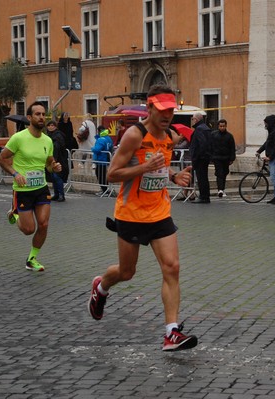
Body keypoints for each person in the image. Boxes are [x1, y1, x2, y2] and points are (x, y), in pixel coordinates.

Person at [87, 84, 198, 352]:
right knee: (127, 272)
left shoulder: (170, 136)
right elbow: (111, 174)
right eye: (162, 110)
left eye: (171, 110)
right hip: (131, 213)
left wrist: (174, 176)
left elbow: (161, 167)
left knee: (172, 267)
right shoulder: (134, 136)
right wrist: (143, 167)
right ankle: (101, 286)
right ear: (149, 107)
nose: (167, 115)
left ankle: (171, 332)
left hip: (159, 212)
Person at [0, 101, 62, 272]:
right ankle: (14, 213)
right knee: (28, 229)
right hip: (23, 190)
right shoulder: (19, 138)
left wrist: (53, 167)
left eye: (43, 114)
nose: (41, 117)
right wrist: (15, 174)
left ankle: (31, 258)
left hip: (41, 188)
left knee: (44, 224)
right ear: (29, 117)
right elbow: (1, 159)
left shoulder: (48, 140)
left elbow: (48, 163)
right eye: (38, 114)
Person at [256, 114, 275, 205]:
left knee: (274, 178)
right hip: (273, 157)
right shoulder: (272, 132)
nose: (265, 125)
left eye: (266, 123)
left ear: (270, 123)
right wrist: (259, 151)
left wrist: (270, 157)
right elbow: (267, 143)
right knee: (274, 178)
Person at [189, 113, 212, 203]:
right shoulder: (205, 128)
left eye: (193, 119)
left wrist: (197, 156)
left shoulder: (199, 129)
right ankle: (205, 196)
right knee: (204, 177)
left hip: (200, 158)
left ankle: (203, 197)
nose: (192, 121)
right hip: (205, 157)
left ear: (196, 119)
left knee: (201, 178)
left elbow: (202, 144)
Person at [210, 119, 236, 198]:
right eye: (221, 126)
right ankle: (220, 190)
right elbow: (210, 146)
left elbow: (232, 147)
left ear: (226, 126)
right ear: (218, 126)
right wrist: (211, 157)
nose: (222, 128)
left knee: (224, 173)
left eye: (223, 126)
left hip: (226, 158)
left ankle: (222, 189)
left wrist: (232, 158)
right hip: (217, 158)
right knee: (219, 173)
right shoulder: (213, 135)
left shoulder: (229, 136)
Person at [45, 120, 69, 202]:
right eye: (49, 125)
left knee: (57, 177)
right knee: (53, 177)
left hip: (59, 159)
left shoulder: (58, 135)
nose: (51, 127)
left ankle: (61, 195)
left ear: (55, 127)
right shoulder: (49, 135)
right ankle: (56, 194)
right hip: (51, 158)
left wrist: (54, 159)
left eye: (52, 125)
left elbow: (58, 148)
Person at [91, 127, 114, 196]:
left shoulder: (101, 139)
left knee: (100, 175)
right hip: (106, 159)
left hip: (100, 160)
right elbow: (111, 148)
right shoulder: (108, 138)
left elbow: (97, 149)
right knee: (104, 175)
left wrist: (92, 148)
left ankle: (104, 190)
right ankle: (105, 189)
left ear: (99, 131)